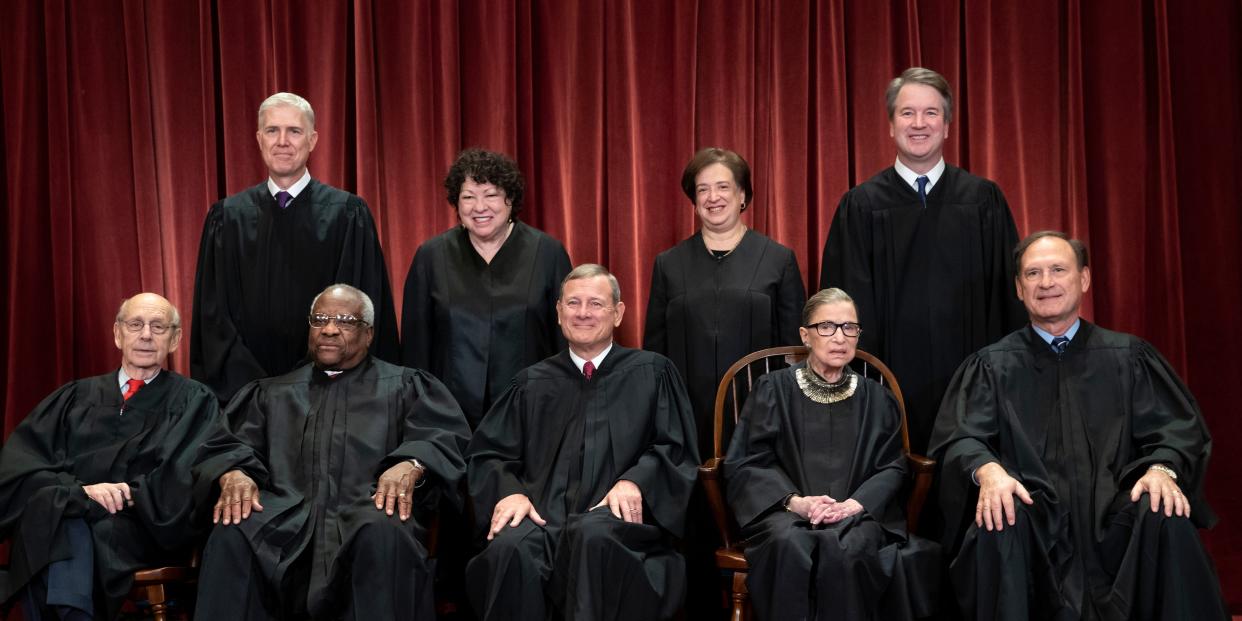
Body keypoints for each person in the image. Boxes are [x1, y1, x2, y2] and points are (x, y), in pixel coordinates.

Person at [929, 231, 1227, 619]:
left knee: (1164, 511)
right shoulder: (992, 366)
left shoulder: (1128, 357)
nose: (1046, 282)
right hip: (1032, 519)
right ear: (1019, 289)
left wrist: (1161, 468)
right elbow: (961, 436)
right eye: (1033, 274)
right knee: (998, 519)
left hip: (1118, 517)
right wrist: (988, 472)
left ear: (1084, 279)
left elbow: (1177, 429)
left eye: (1058, 270)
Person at [192, 284, 471, 620]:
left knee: (382, 530)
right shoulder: (271, 394)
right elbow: (227, 445)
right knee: (233, 529)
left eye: (345, 321)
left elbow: (443, 437)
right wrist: (233, 472)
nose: (329, 329)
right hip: (286, 520)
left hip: (366, 511)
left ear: (368, 334)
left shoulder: (406, 386)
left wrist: (412, 463)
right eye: (320, 319)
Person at [466, 264, 698, 621]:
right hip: (543, 516)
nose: (584, 313)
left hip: (618, 521)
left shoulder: (653, 372)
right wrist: (509, 491)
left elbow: (676, 447)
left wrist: (635, 480)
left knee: (593, 538)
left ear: (618, 313)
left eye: (596, 303)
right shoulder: (530, 383)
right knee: (510, 548)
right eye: (573, 303)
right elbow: (490, 453)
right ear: (559, 313)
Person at [820, 67, 1025, 454]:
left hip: (973, 384)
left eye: (931, 113)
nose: (919, 123)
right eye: (907, 113)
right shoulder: (861, 207)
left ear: (947, 126)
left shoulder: (983, 200)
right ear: (891, 125)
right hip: (886, 387)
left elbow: (1009, 299)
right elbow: (840, 307)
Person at [0, 293, 226, 620]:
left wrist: (123, 496)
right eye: (135, 324)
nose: (146, 335)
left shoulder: (194, 402)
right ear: (118, 334)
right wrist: (78, 493)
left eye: (158, 327)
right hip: (69, 516)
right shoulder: (74, 397)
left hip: (138, 527)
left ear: (175, 339)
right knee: (58, 513)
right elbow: (19, 466)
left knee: (62, 522)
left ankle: (71, 612)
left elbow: (182, 478)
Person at [724, 288, 939, 620]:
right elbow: (748, 461)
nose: (840, 337)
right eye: (827, 326)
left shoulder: (877, 399)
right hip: (787, 514)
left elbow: (893, 466)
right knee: (788, 543)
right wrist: (797, 502)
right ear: (805, 335)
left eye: (849, 327)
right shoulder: (772, 390)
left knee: (852, 546)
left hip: (857, 514)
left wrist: (854, 505)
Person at [191, 91, 400, 405]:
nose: (282, 141)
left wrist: (309, 377)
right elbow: (214, 317)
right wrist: (257, 387)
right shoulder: (228, 218)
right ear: (259, 139)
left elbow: (362, 309)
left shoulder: (347, 214)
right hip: (245, 396)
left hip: (331, 391)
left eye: (294, 131)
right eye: (272, 131)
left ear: (313, 140)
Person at [644, 146, 805, 454]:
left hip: (760, 413)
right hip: (685, 415)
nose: (712, 197)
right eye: (702, 189)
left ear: (742, 195)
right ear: (694, 202)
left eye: (722, 187)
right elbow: (655, 350)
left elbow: (794, 351)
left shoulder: (778, 259)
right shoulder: (669, 263)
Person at [403, 148, 572, 428]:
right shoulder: (431, 256)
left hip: (533, 413)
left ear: (510, 199)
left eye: (491, 195)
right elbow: (416, 347)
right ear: (456, 203)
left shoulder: (548, 253)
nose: (479, 207)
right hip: (450, 417)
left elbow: (564, 337)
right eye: (468, 197)